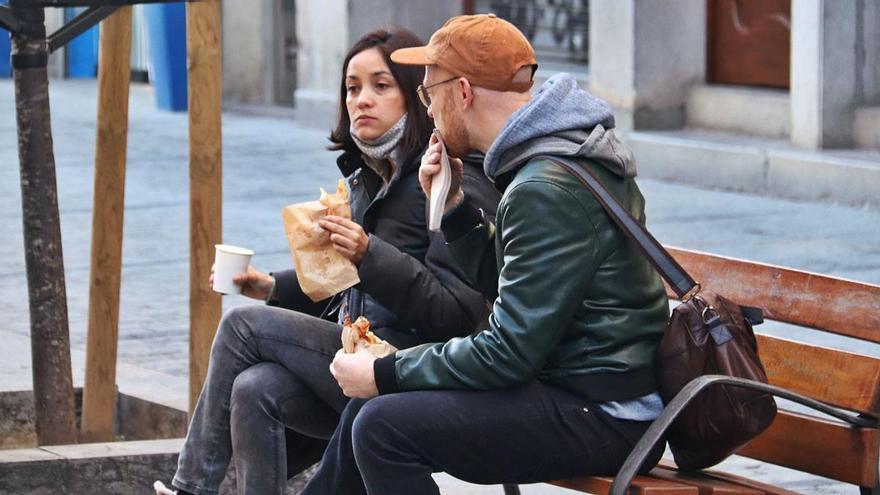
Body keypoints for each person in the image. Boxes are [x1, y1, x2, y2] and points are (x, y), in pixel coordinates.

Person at [304, 14, 671, 494]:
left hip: (603, 411)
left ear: (462, 92)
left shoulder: (543, 186)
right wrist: (455, 210)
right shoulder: (555, 158)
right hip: (580, 388)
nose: (428, 110)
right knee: (367, 413)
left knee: (382, 427)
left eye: (428, 93)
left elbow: (508, 352)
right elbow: (520, 287)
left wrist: (387, 371)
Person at [154, 27, 499, 495]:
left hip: (410, 365)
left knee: (242, 327)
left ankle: (190, 489)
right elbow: (346, 282)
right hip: (350, 358)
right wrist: (270, 285)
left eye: (381, 86)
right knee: (254, 387)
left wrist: (368, 252)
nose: (361, 100)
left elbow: (453, 317)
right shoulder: (367, 177)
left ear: (417, 96)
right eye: (352, 88)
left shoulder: (447, 176)